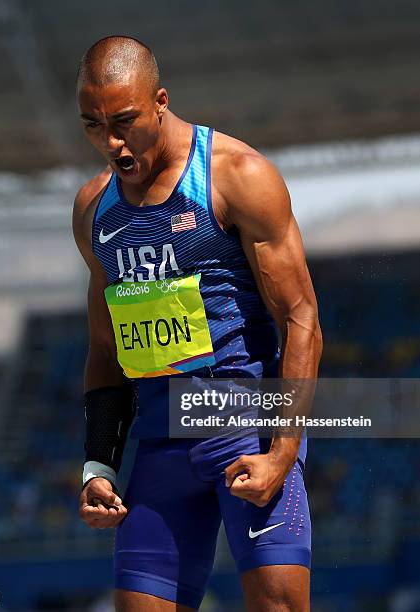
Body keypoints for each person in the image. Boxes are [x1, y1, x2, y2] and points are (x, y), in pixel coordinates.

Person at [73, 35, 322, 612]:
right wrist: (98, 466)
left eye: (125, 121)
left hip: (246, 431)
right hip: (159, 448)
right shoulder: (93, 209)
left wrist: (283, 453)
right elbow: (105, 350)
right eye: (92, 125)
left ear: (160, 101)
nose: (111, 142)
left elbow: (301, 316)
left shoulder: (237, 175)